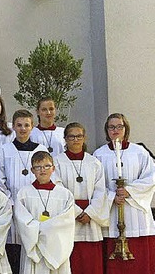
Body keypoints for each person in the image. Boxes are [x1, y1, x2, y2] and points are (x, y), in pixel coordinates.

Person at [92, 113, 155, 274]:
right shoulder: (99, 155)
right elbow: (94, 184)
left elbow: (151, 177)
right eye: (111, 127)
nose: (115, 130)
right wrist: (112, 196)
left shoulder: (139, 152)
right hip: (111, 211)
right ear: (106, 130)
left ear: (126, 128)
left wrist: (129, 190)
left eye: (119, 126)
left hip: (136, 213)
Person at [0, 109, 48, 274]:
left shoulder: (40, 149)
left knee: (32, 244)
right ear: (14, 127)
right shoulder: (4, 150)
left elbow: (45, 175)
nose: (23, 129)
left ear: (32, 127)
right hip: (11, 206)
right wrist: (10, 202)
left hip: (34, 206)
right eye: (19, 125)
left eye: (26, 125)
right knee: (14, 247)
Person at [53, 122, 108, 274]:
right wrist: (76, 212)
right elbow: (58, 189)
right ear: (65, 139)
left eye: (79, 136)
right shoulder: (57, 162)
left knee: (91, 264)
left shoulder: (94, 163)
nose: (75, 139)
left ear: (85, 138)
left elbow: (100, 190)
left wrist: (89, 212)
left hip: (90, 219)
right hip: (69, 217)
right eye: (71, 136)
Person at [14, 151, 75, 273]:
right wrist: (42, 231)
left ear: (53, 168)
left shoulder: (64, 194)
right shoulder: (24, 193)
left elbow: (66, 222)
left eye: (47, 166)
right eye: (38, 167)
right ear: (32, 170)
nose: (43, 170)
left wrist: (40, 229)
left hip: (56, 245)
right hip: (34, 245)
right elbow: (22, 220)